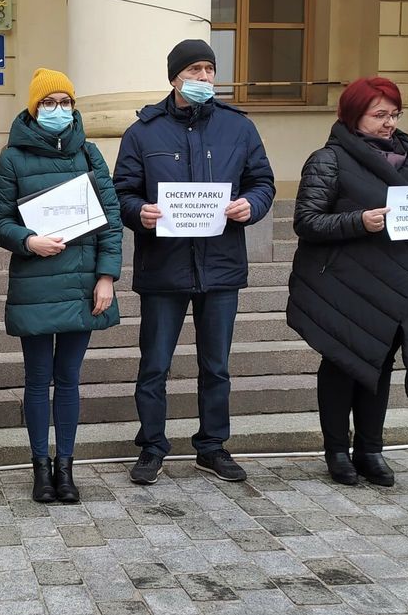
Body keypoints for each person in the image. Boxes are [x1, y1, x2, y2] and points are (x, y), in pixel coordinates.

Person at [113, 39, 275, 485]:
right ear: (174, 78)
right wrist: (138, 213)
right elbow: (122, 192)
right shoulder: (143, 131)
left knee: (216, 365)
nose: (204, 77)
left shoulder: (237, 128)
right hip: (163, 267)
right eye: (194, 70)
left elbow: (262, 181)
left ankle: (212, 446)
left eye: (210, 69)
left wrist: (251, 205)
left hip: (220, 264)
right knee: (155, 365)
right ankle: (151, 446)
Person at [287, 77, 408, 486]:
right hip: (344, 283)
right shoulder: (327, 160)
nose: (389, 123)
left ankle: (370, 449)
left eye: (394, 114)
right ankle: (336, 452)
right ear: (353, 115)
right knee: (343, 363)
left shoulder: (407, 159)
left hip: (394, 281)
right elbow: (306, 222)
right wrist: (358, 221)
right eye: (379, 114)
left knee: (381, 364)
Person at [0, 69, 123, 503]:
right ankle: (39, 467)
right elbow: (0, 220)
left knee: (68, 378)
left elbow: (111, 217)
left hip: (83, 280)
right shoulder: (12, 157)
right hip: (35, 281)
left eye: (66, 102)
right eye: (49, 103)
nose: (58, 110)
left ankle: (65, 467)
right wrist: (28, 240)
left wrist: (107, 275)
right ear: (34, 108)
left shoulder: (89, 153)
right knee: (37, 378)